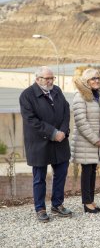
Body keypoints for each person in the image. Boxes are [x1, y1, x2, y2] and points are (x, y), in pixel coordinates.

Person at [19, 66, 72, 222]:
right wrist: (53, 133)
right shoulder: (27, 95)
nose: (50, 81)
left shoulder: (57, 91)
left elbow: (66, 111)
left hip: (60, 141)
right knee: (39, 178)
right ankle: (40, 208)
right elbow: (31, 120)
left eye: (51, 78)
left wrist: (62, 131)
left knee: (61, 174)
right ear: (38, 79)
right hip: (39, 143)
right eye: (47, 78)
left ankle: (57, 204)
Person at [71, 68, 100, 213]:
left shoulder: (99, 96)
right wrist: (95, 140)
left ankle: (91, 200)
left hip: (98, 141)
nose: (96, 81)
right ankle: (86, 203)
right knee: (87, 171)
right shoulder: (79, 97)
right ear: (86, 82)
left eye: (98, 78)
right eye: (93, 79)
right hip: (86, 142)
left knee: (93, 170)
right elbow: (81, 122)